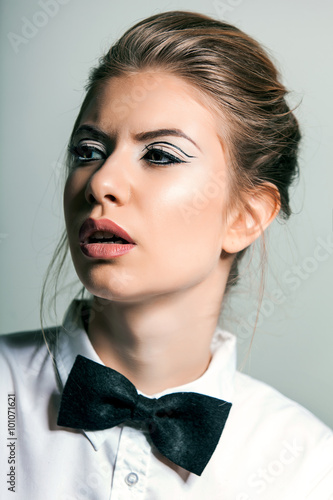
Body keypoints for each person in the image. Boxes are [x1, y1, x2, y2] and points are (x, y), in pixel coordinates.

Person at [0, 10, 332, 500]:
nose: (102, 182)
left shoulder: (307, 466)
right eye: (88, 151)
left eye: (159, 155)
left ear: (245, 215)